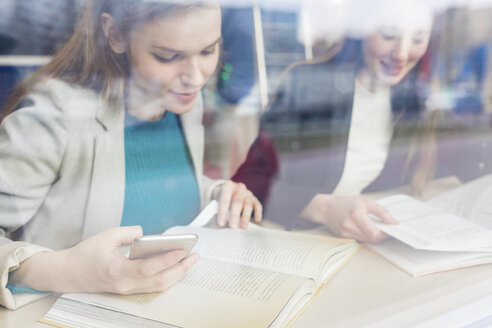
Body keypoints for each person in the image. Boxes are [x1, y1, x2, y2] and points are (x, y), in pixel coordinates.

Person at [0, 0, 263, 310]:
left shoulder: (182, 103)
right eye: (169, 56)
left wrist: (216, 193)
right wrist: (67, 271)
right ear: (115, 34)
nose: (195, 77)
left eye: (208, 51)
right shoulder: (54, 116)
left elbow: (150, 184)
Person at [233, 0, 492, 243]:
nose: (402, 54)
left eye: (418, 38)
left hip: (366, 250)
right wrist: (323, 208)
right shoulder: (309, 86)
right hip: (296, 242)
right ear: (358, 30)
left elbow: (474, 152)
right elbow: (249, 181)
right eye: (388, 35)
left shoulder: (413, 97)